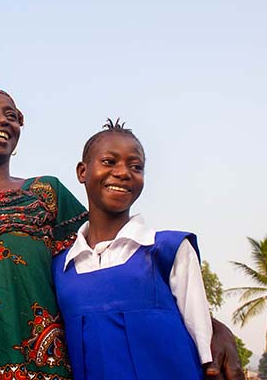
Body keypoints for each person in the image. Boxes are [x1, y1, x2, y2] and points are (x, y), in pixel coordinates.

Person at [0, 75, 244, 380]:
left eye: (11, 114)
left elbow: (111, 264)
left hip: (43, 372)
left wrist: (209, 326)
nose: (1, 119)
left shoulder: (45, 194)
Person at [51, 119, 212, 379]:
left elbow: (206, 349)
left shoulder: (169, 251)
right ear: (82, 172)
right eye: (109, 162)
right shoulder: (60, 268)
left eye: (136, 166)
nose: (124, 172)